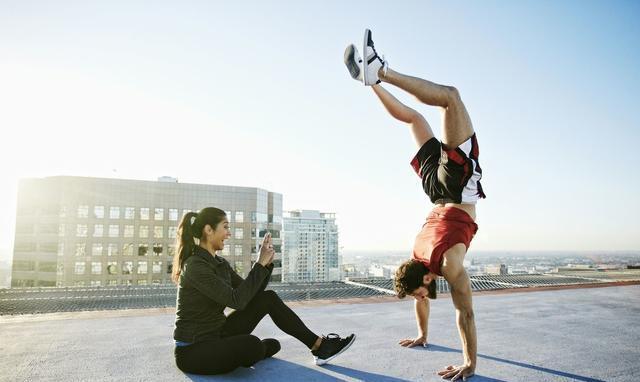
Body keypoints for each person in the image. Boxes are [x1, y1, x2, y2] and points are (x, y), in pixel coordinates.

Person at [344, 29, 485, 381]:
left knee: (451, 98)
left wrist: (470, 362)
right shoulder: (416, 257)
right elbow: (421, 299)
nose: (421, 297)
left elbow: (464, 314)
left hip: (455, 188)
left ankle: (381, 71)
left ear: (424, 277)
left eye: (420, 290)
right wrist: (423, 335)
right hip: (433, 190)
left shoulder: (448, 265)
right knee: (416, 120)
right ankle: (371, 83)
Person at [172, 207, 355, 375]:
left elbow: (250, 294)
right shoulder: (195, 265)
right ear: (208, 230)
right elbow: (236, 301)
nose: (228, 233)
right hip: (193, 350)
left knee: (268, 298)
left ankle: (319, 346)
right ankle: (257, 349)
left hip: (218, 333)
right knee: (252, 346)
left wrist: (265, 265)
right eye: (225, 227)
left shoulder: (220, 263)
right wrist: (258, 264)